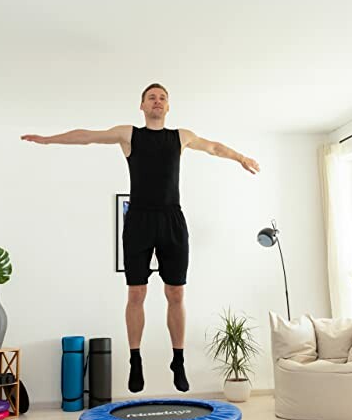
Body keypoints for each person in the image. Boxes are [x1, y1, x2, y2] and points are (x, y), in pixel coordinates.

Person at [21, 83, 260, 393]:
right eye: (152, 97)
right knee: (136, 293)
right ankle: (136, 360)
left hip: (172, 218)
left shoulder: (181, 137)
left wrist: (240, 158)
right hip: (139, 221)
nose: (157, 101)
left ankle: (178, 360)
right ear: (142, 105)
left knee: (176, 293)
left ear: (168, 106)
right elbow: (88, 136)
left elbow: (213, 147)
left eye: (162, 98)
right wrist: (49, 140)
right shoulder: (128, 134)